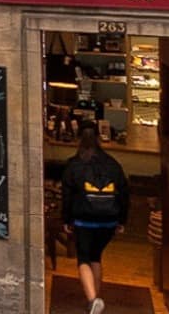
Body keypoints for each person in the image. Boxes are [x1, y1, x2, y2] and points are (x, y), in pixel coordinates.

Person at [61, 120, 130, 314]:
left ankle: (93, 300)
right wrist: (122, 220)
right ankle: (95, 302)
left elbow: (67, 196)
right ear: (99, 138)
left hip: (83, 220)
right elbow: (124, 193)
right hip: (108, 220)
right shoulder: (113, 164)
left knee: (83, 258)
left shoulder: (73, 165)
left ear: (78, 139)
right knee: (96, 256)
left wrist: (66, 220)